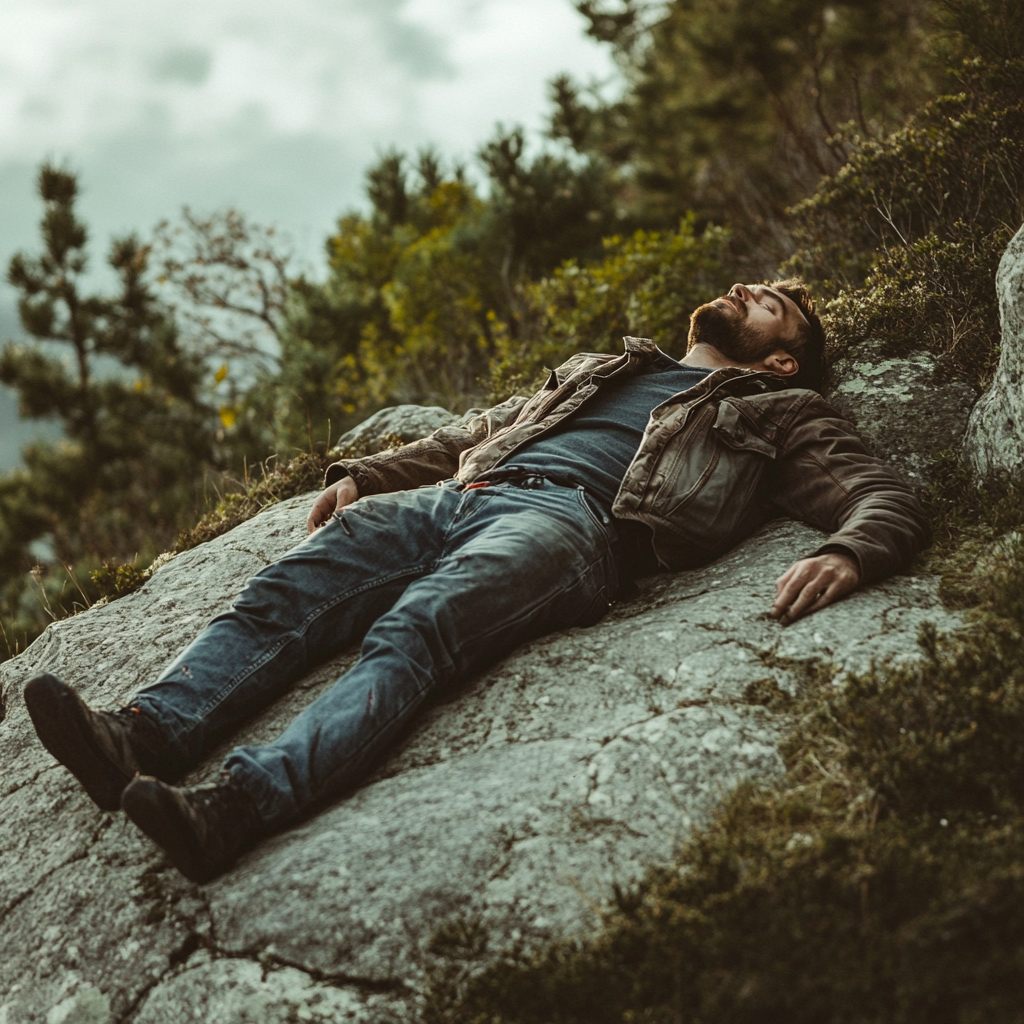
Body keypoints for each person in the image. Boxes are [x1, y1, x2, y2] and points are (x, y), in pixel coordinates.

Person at [23, 279, 930, 883]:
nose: (747, 291)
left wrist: (853, 552)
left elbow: (878, 491)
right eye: (750, 285)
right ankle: (143, 734)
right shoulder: (603, 367)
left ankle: (232, 810)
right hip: (463, 496)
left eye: (772, 306)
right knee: (285, 592)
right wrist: (371, 475)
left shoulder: (781, 407)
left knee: (413, 636)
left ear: (782, 358)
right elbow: (475, 430)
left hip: (570, 528)